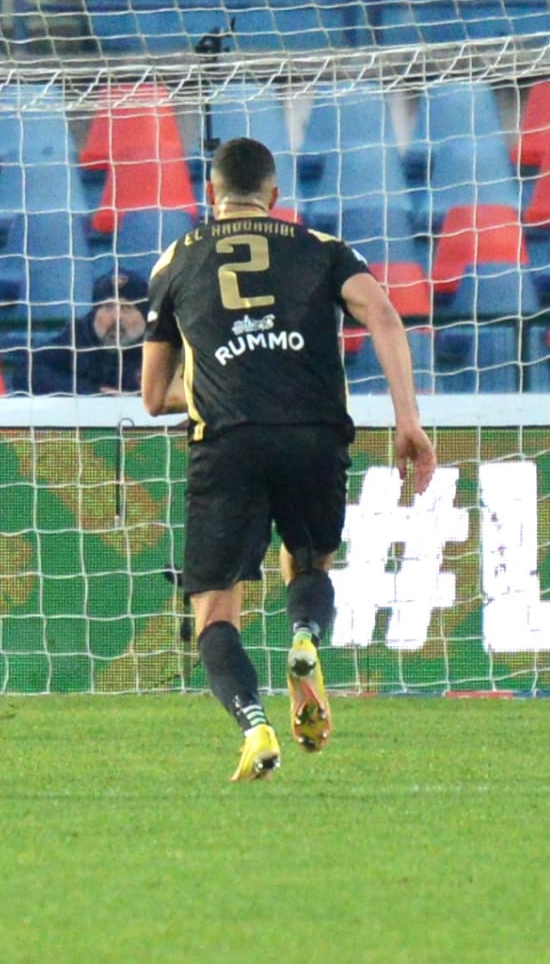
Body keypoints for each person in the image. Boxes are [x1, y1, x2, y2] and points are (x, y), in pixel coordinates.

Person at [141, 137, 436, 783]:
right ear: (275, 196)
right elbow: (384, 315)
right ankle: (305, 635)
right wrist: (408, 420)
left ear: (212, 195)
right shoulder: (323, 248)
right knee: (307, 560)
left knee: (214, 611)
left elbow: (153, 396)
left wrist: (223, 372)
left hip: (229, 441)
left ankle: (256, 727)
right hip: (315, 434)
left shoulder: (176, 258)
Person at [27, 272, 148, 396]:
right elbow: (26, 370)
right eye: (108, 306)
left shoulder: (157, 341)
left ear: (145, 315)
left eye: (126, 308)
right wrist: (91, 390)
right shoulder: (79, 336)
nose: (116, 317)